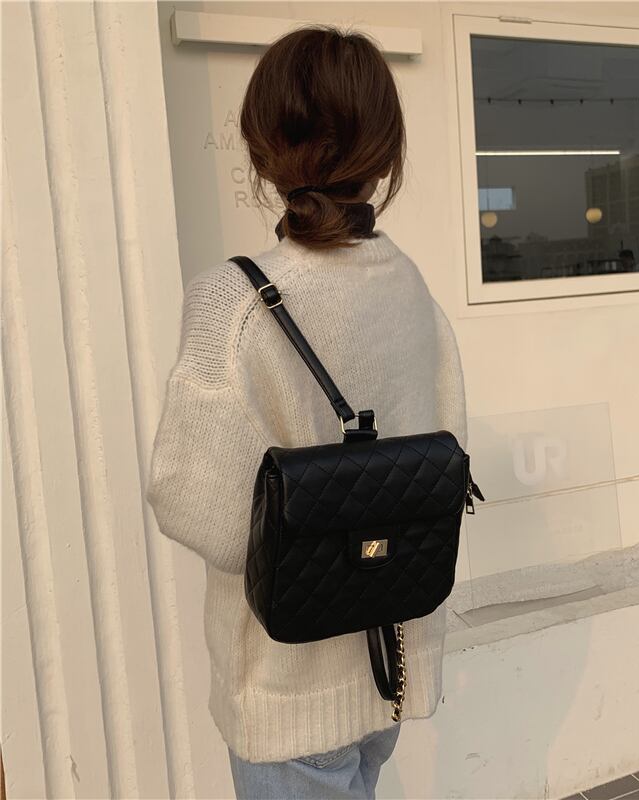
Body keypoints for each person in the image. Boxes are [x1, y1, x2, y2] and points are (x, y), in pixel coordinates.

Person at [145, 25, 467, 800]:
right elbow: (448, 446)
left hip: (290, 685)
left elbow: (198, 506)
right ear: (384, 155)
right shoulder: (409, 286)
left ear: (262, 150)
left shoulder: (231, 301)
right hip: (390, 654)